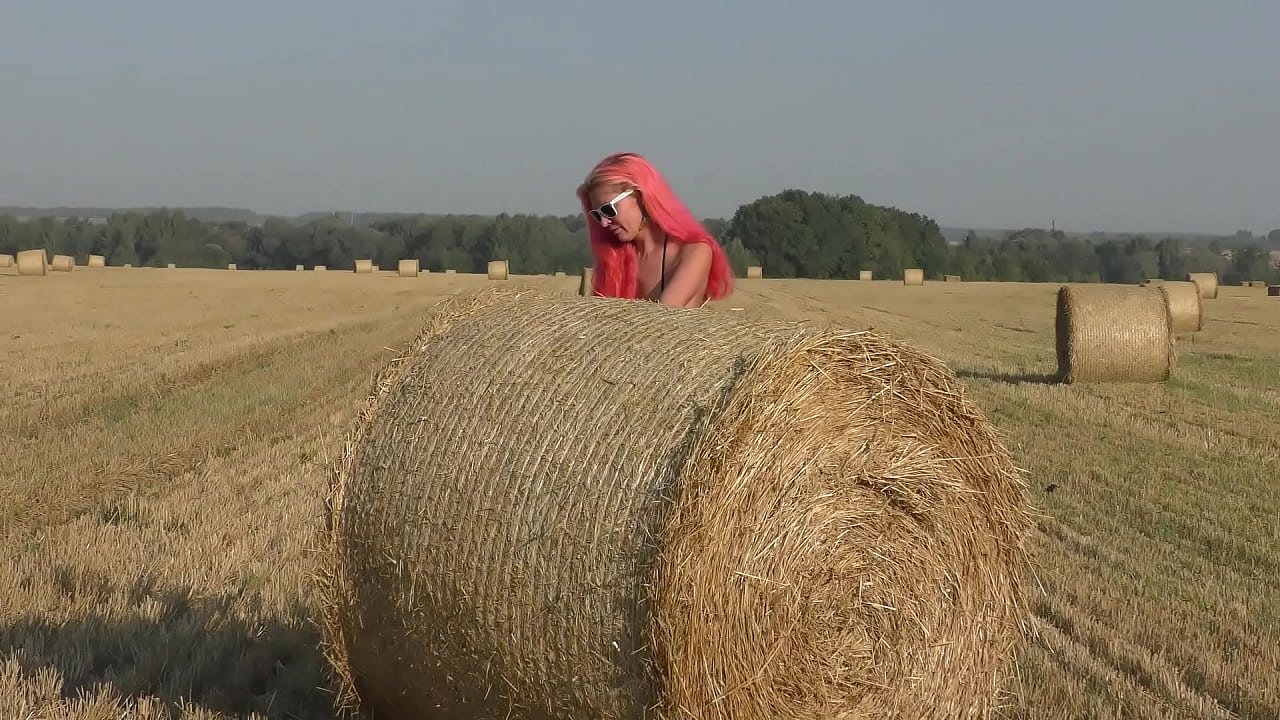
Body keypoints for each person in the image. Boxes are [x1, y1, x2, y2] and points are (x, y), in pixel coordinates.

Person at [576, 152, 733, 307]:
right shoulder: (615, 259)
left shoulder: (694, 251)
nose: (604, 223)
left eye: (608, 209)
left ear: (641, 196)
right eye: (597, 215)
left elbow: (659, 324)